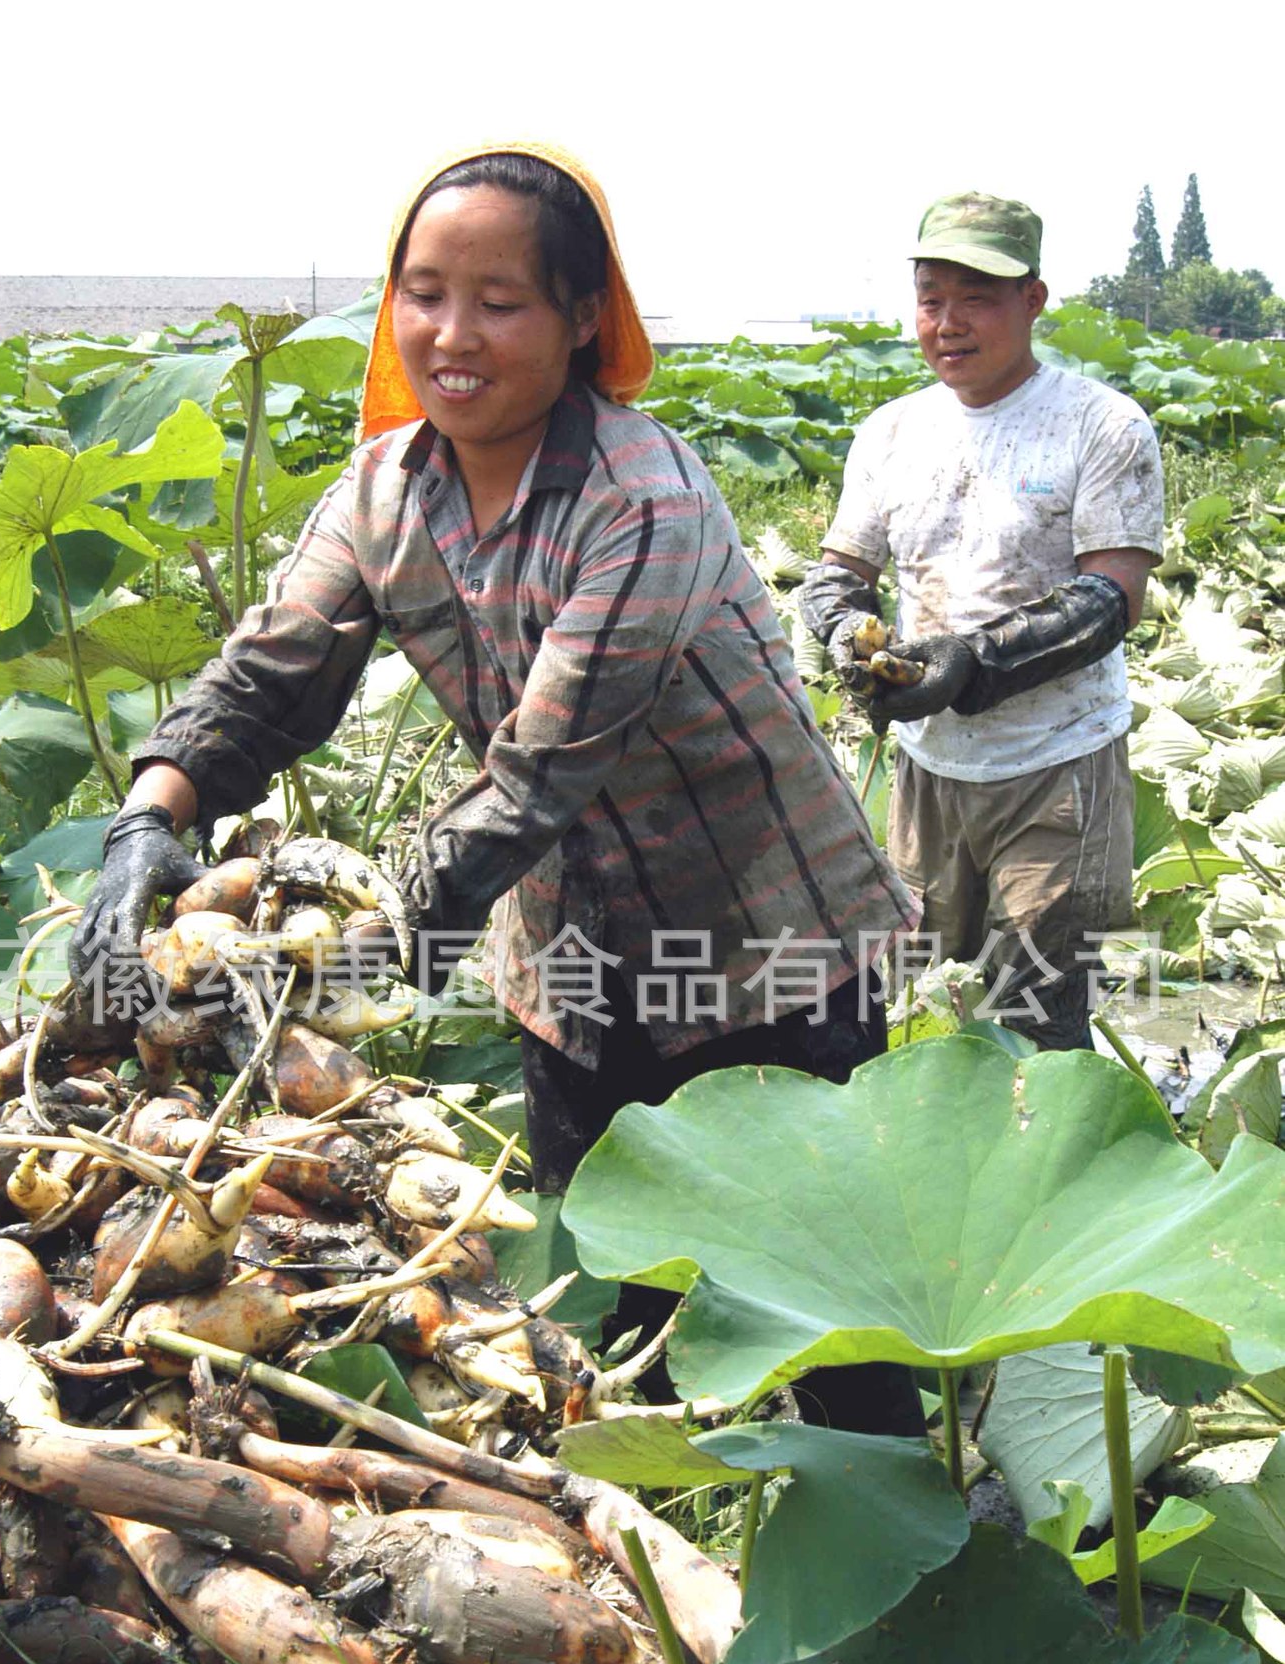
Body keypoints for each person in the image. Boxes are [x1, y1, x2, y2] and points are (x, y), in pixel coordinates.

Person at [72, 142, 921, 1431]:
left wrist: (339, 951)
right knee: (623, 1325)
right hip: (572, 964)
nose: (450, 335)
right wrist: (150, 817)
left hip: (769, 947)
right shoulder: (380, 493)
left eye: (500, 302)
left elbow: (541, 771)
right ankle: (667, 1567)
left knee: (832, 1323)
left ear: (584, 319)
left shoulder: (641, 497)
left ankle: (903, 1569)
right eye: (423, 294)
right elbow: (269, 679)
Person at [799, 192, 1164, 1050]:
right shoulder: (892, 432)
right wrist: (849, 638)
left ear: (1032, 301)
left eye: (977, 299)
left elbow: (1113, 598)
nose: (948, 323)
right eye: (931, 300)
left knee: (1039, 1011)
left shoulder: (1101, 424)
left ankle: (1055, 1174)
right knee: (933, 1004)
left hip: (1057, 764)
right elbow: (836, 574)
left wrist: (971, 662)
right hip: (930, 773)